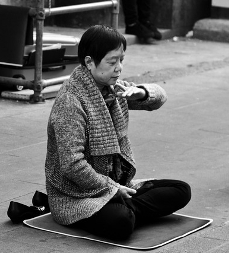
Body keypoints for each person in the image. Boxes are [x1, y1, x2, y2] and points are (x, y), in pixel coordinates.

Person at [44, 25, 191, 239]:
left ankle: (129, 211)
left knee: (181, 190)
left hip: (119, 185)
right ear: (89, 62)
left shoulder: (114, 89)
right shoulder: (71, 101)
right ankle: (127, 212)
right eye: (112, 62)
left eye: (121, 60)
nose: (119, 68)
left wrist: (140, 93)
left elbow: (160, 97)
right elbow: (72, 165)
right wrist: (112, 189)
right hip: (77, 195)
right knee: (120, 222)